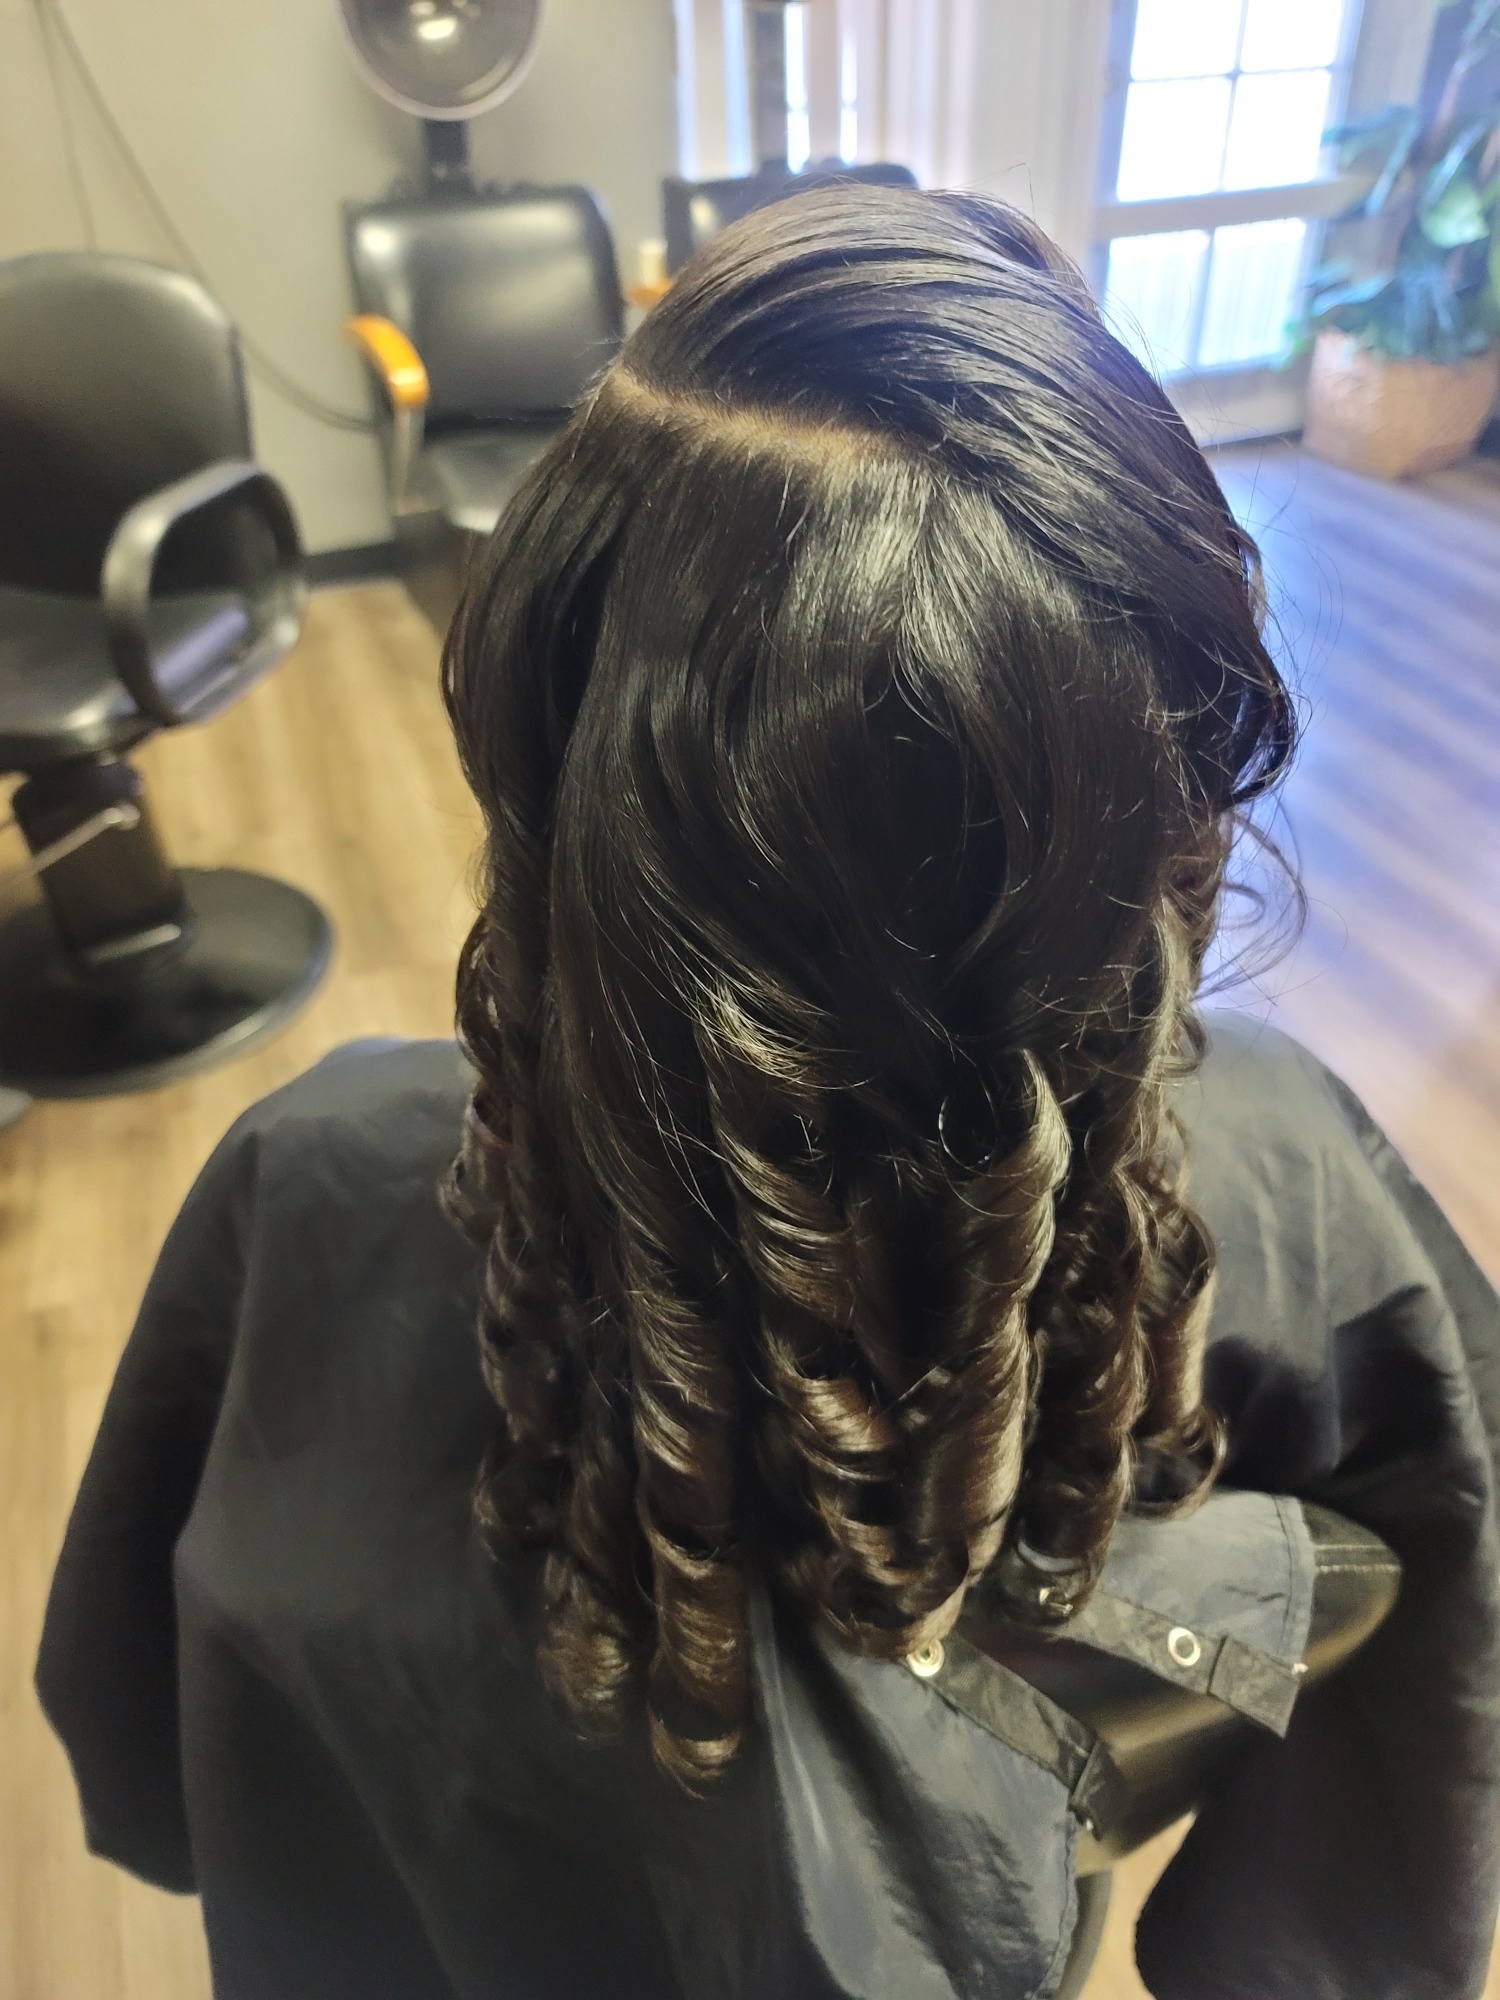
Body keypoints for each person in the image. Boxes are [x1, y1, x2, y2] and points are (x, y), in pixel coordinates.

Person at [37, 189, 1500, 1999]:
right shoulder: (1283, 1159)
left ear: (549, 750)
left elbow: (149, 1718)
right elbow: (1424, 1672)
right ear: (1165, 805)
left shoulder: (308, 1173)